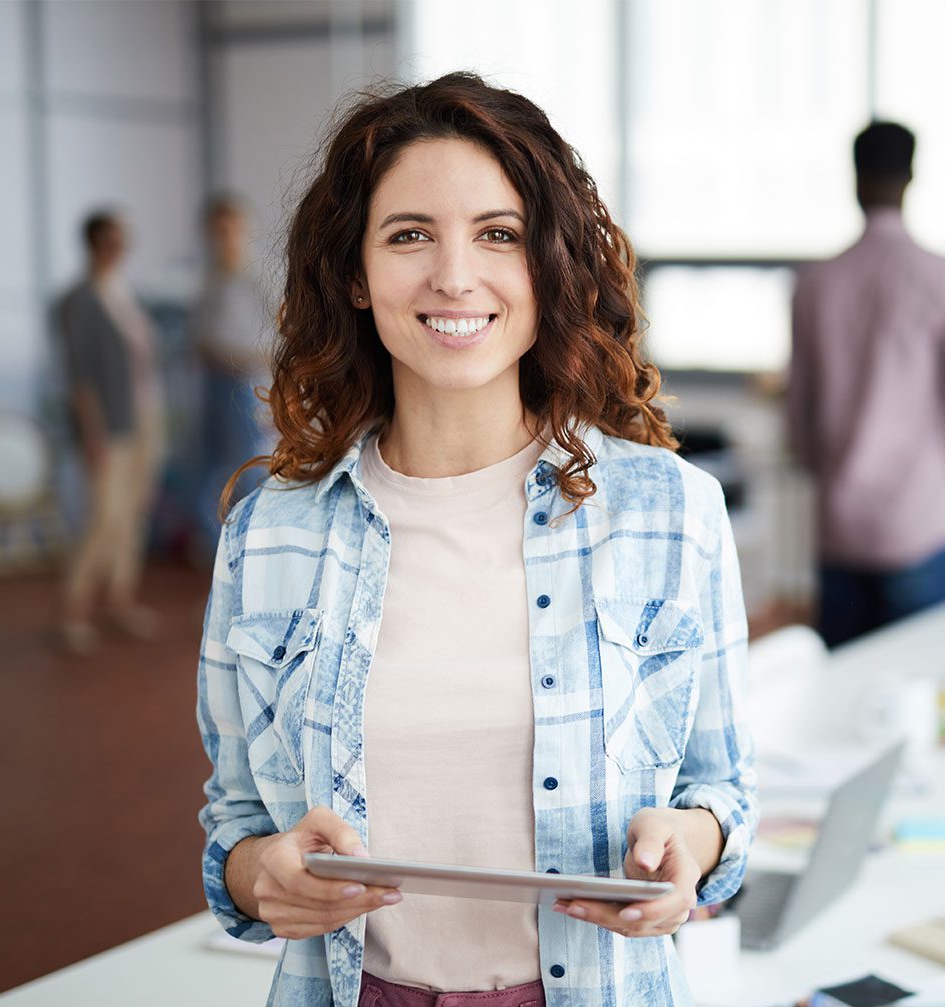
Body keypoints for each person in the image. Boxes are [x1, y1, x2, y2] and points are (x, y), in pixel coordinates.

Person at [196, 73, 756, 1007]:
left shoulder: (672, 511)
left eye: (497, 235)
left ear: (548, 264)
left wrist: (688, 850)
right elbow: (237, 824)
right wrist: (263, 873)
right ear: (355, 275)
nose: (455, 276)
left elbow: (724, 795)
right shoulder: (268, 537)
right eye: (409, 234)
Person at [788, 121, 945, 648]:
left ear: (855, 180)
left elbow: (800, 421)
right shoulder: (937, 279)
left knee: (841, 696)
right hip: (920, 524)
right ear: (911, 178)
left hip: (841, 524)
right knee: (918, 702)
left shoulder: (815, 284)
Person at [57, 211, 165, 654]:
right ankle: (75, 612)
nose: (117, 248)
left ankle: (121, 602)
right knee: (105, 518)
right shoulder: (79, 301)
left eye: (122, 239)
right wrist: (93, 435)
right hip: (110, 424)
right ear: (91, 244)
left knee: (135, 513)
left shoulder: (126, 292)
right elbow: (79, 377)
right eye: (108, 240)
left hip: (146, 416)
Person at [189, 193, 274, 548]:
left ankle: (251, 547)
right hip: (214, 384)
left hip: (247, 384)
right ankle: (219, 549)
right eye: (217, 230)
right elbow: (201, 340)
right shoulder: (209, 281)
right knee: (208, 471)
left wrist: (245, 359)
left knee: (249, 468)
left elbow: (283, 335)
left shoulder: (260, 279)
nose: (225, 237)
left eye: (231, 228)